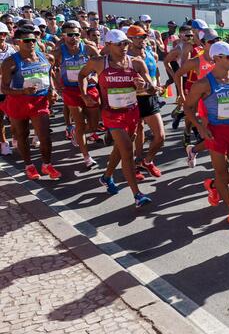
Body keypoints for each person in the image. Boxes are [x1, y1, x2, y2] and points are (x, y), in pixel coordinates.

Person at [78, 29, 153, 208]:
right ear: (109, 45)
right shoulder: (98, 63)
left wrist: (145, 85)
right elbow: (82, 75)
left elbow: (151, 89)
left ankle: (106, 177)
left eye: (126, 43)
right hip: (111, 114)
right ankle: (137, 195)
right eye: (120, 44)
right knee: (127, 149)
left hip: (132, 113)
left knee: (119, 150)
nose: (124, 47)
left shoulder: (136, 63)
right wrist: (84, 94)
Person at [184, 41, 229, 229]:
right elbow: (187, 107)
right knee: (222, 173)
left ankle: (214, 185)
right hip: (216, 132)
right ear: (217, 58)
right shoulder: (203, 83)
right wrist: (200, 127)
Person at [0, 26, 61, 180]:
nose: (31, 43)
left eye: (33, 39)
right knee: (22, 135)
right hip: (18, 102)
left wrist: (52, 90)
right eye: (27, 40)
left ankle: (47, 165)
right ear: (17, 42)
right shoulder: (9, 63)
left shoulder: (46, 58)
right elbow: (4, 89)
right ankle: (29, 165)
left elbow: (49, 75)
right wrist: (22, 92)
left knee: (45, 136)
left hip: (40, 102)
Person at [52, 22, 101, 169]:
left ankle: (76, 132)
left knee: (93, 126)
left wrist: (96, 77)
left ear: (81, 34)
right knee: (80, 123)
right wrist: (56, 86)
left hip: (90, 89)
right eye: (70, 34)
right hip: (71, 90)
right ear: (64, 36)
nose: (73, 37)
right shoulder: (59, 52)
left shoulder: (88, 49)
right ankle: (87, 157)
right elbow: (49, 68)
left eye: (76, 34)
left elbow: (101, 66)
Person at [174, 28, 220, 166]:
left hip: (221, 101)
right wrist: (181, 94)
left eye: (217, 40)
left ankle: (193, 150)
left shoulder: (221, 57)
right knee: (213, 136)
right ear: (203, 43)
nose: (215, 43)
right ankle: (220, 165)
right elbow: (178, 74)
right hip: (205, 104)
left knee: (220, 135)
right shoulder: (196, 61)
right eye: (211, 41)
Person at [126, 25, 165, 177]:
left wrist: (158, 85)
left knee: (160, 136)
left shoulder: (151, 53)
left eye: (144, 36)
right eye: (139, 37)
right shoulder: (126, 56)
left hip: (149, 97)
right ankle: (136, 162)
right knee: (136, 132)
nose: (142, 40)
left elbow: (155, 71)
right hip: (133, 99)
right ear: (130, 39)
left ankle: (147, 161)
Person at [0, 22, 16, 156]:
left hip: (11, 89)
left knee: (14, 117)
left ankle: (16, 138)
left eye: (4, 34)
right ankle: (4, 143)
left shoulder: (11, 49)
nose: (1, 37)